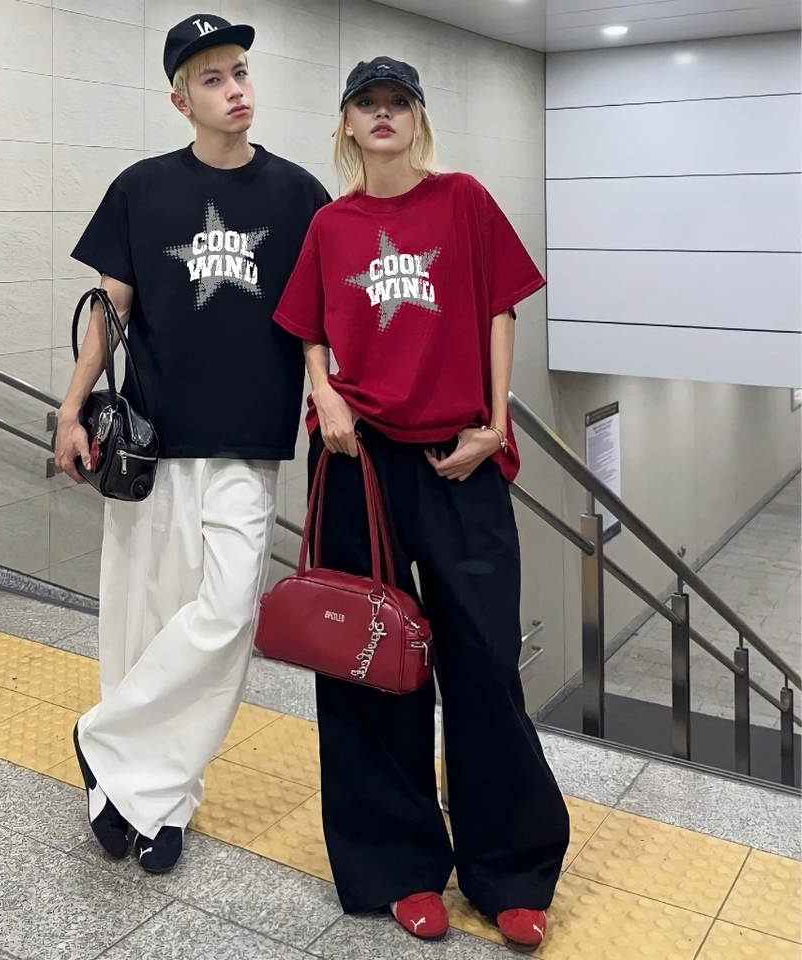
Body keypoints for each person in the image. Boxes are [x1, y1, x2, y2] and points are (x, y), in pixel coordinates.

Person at [272, 57, 570, 952]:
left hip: (459, 459)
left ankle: (509, 870)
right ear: (347, 124)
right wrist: (324, 395)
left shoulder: (463, 200)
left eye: (398, 102)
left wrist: (495, 419)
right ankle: (397, 866)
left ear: (417, 119)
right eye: (367, 103)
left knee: (483, 660)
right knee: (368, 661)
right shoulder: (331, 223)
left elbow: (502, 309)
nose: (383, 114)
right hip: (357, 459)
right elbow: (307, 329)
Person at [54, 13, 330, 875]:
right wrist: (71, 409)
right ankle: (157, 800)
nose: (236, 89)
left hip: (249, 441)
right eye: (213, 78)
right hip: (152, 440)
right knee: (142, 619)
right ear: (182, 101)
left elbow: (322, 320)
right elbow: (110, 310)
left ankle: (105, 741)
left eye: (241, 70)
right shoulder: (141, 188)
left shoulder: (300, 195)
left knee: (226, 613)